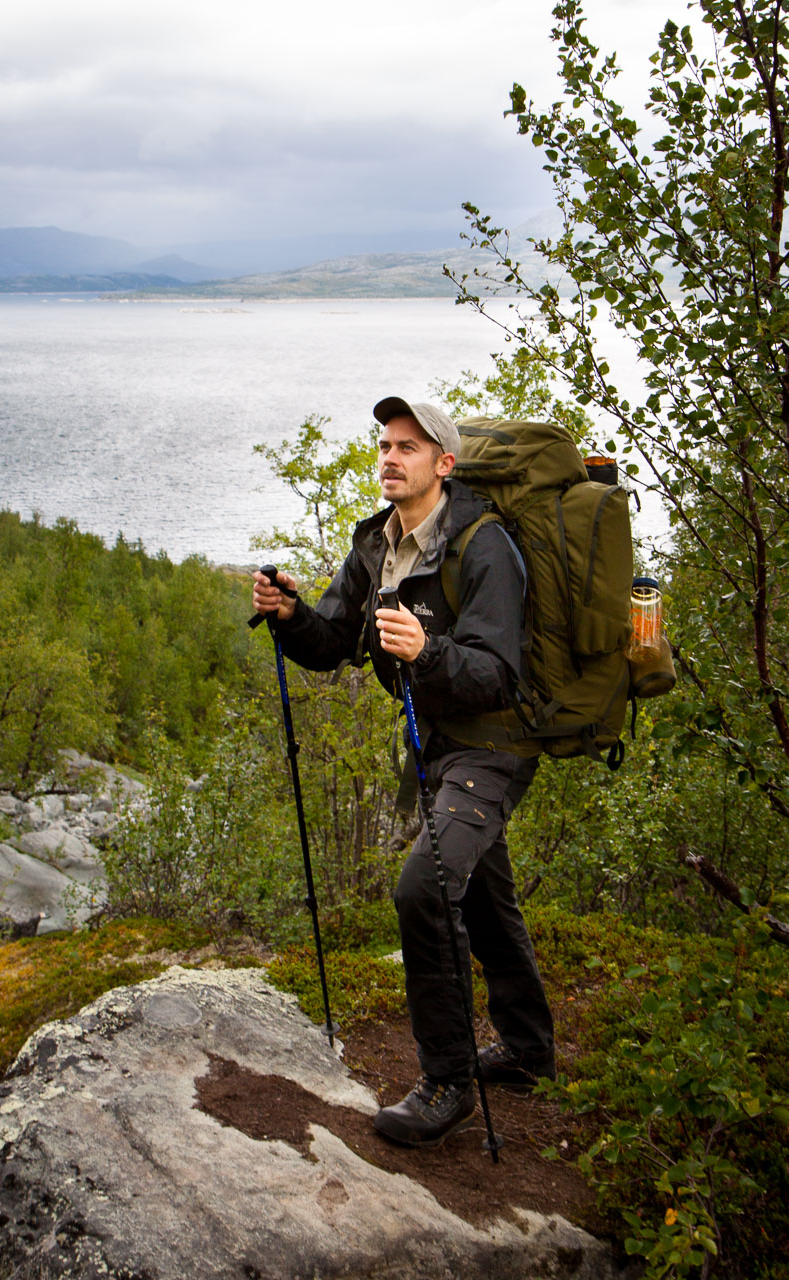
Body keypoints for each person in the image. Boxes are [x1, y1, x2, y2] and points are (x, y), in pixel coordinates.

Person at [252, 396, 555, 1147]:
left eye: (408, 448)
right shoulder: (376, 543)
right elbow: (333, 644)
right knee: (480, 890)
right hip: (439, 743)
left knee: (425, 886)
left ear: (443, 464)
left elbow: (499, 675)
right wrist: (291, 616)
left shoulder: (484, 546)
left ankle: (447, 1083)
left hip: (495, 742)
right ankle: (527, 1049)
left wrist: (428, 650)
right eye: (385, 446)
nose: (390, 458)